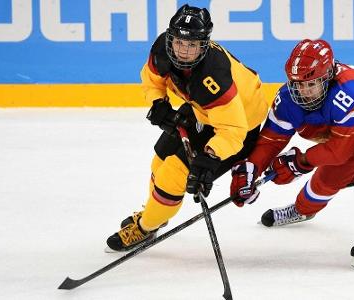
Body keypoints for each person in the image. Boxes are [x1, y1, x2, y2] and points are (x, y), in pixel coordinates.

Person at [106, 4, 272, 251]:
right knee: (161, 159)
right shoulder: (163, 48)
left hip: (239, 125)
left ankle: (145, 227)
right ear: (171, 37)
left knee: (174, 174)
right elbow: (151, 78)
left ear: (203, 45)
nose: (184, 51)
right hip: (201, 109)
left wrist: (210, 157)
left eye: (192, 45)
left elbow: (232, 130)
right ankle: (154, 213)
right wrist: (158, 102)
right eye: (180, 43)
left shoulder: (213, 78)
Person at [230, 39, 354, 228]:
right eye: (299, 84)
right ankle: (302, 211)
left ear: (328, 76)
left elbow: (339, 152)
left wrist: (302, 161)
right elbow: (271, 140)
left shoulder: (350, 93)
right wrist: (251, 169)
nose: (304, 92)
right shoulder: (287, 100)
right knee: (325, 182)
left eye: (312, 83)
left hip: (349, 139)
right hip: (347, 137)